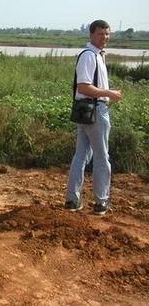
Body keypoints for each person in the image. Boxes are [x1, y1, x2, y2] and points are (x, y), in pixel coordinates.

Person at [64, 19, 122, 215]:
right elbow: (83, 86)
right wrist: (109, 93)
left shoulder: (97, 55)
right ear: (91, 34)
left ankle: (73, 200)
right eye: (100, 34)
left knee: (81, 154)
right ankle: (101, 202)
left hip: (86, 111)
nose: (104, 37)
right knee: (101, 157)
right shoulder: (89, 56)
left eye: (107, 34)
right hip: (95, 110)